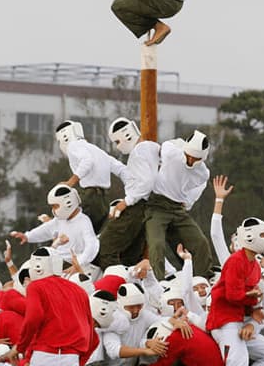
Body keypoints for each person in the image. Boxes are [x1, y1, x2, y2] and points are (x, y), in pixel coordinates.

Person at [205, 218, 264, 366]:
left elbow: (252, 297)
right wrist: (254, 300)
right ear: (250, 236)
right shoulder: (235, 260)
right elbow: (233, 295)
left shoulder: (255, 265)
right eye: (263, 235)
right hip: (225, 322)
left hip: (239, 322)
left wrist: (255, 307)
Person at [18, 247, 99, 366]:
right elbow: (92, 334)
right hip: (71, 359)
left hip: (43, 356)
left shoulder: (35, 286)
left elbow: (33, 318)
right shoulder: (79, 291)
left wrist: (21, 347)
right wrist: (80, 362)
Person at [145, 131, 213, 279]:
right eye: (188, 156)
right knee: (157, 244)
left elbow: (198, 188)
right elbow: (165, 146)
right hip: (158, 205)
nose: (190, 161)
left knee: (201, 242)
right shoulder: (171, 153)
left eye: (195, 159)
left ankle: (203, 279)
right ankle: (159, 281)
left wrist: (188, 202)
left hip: (178, 209)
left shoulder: (203, 173)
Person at [97, 117, 160, 267]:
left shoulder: (137, 153)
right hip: (151, 208)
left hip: (136, 207)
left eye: (117, 142)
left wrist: (126, 202)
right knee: (131, 255)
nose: (118, 147)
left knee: (105, 247)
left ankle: (113, 282)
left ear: (126, 136)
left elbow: (146, 182)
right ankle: (131, 285)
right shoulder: (152, 147)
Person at [55, 119, 130, 233]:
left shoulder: (73, 145)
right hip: (104, 200)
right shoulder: (97, 150)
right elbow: (121, 169)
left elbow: (87, 161)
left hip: (90, 197)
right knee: (95, 239)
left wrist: (70, 182)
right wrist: (133, 191)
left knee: (75, 234)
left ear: (64, 136)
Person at [10, 184, 99, 271]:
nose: (53, 210)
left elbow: (92, 246)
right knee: (27, 268)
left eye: (55, 206)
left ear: (68, 203)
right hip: (57, 261)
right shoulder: (60, 220)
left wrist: (78, 264)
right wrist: (28, 236)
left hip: (69, 264)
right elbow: (46, 229)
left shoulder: (83, 221)